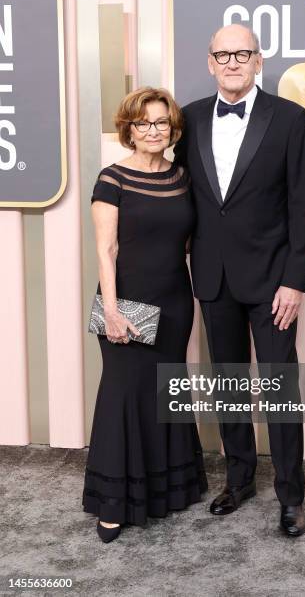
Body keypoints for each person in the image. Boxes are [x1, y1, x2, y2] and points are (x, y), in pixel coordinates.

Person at [174, 24, 305, 537]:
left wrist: (295, 280)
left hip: (274, 279)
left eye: (243, 53)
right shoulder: (188, 119)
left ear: (258, 61)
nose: (233, 62)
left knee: (279, 387)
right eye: (223, 54)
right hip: (213, 277)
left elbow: (304, 206)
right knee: (229, 386)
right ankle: (238, 480)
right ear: (210, 62)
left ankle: (291, 496)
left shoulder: (290, 119)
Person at [82, 87, 208, 543]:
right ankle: (113, 504)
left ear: (172, 128)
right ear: (129, 130)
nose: (153, 130)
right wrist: (112, 312)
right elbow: (106, 249)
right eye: (143, 123)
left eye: (161, 122)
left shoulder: (182, 179)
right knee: (123, 395)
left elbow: (188, 241)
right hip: (128, 303)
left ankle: (166, 490)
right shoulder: (112, 178)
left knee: (166, 392)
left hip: (175, 300)